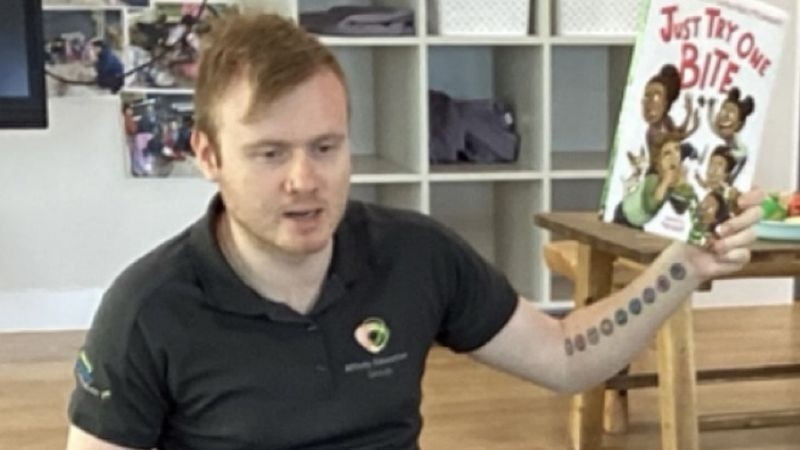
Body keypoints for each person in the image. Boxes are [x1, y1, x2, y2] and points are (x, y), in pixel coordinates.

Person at [66, 13, 765, 450]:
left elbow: (564, 357)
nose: (304, 180)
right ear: (208, 155)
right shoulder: (147, 311)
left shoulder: (416, 256)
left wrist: (686, 265)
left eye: (325, 147)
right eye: (270, 153)